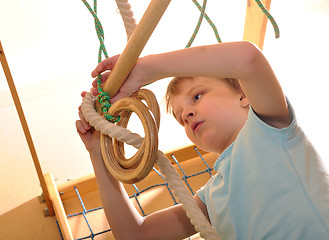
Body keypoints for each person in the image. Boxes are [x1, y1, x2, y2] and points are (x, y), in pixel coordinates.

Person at [76, 41, 329, 239]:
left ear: (243, 94)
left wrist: (147, 68)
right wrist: (98, 154)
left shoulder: (271, 128)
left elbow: (248, 58)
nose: (186, 114)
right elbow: (135, 234)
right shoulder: (212, 197)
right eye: (180, 118)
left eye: (196, 97)